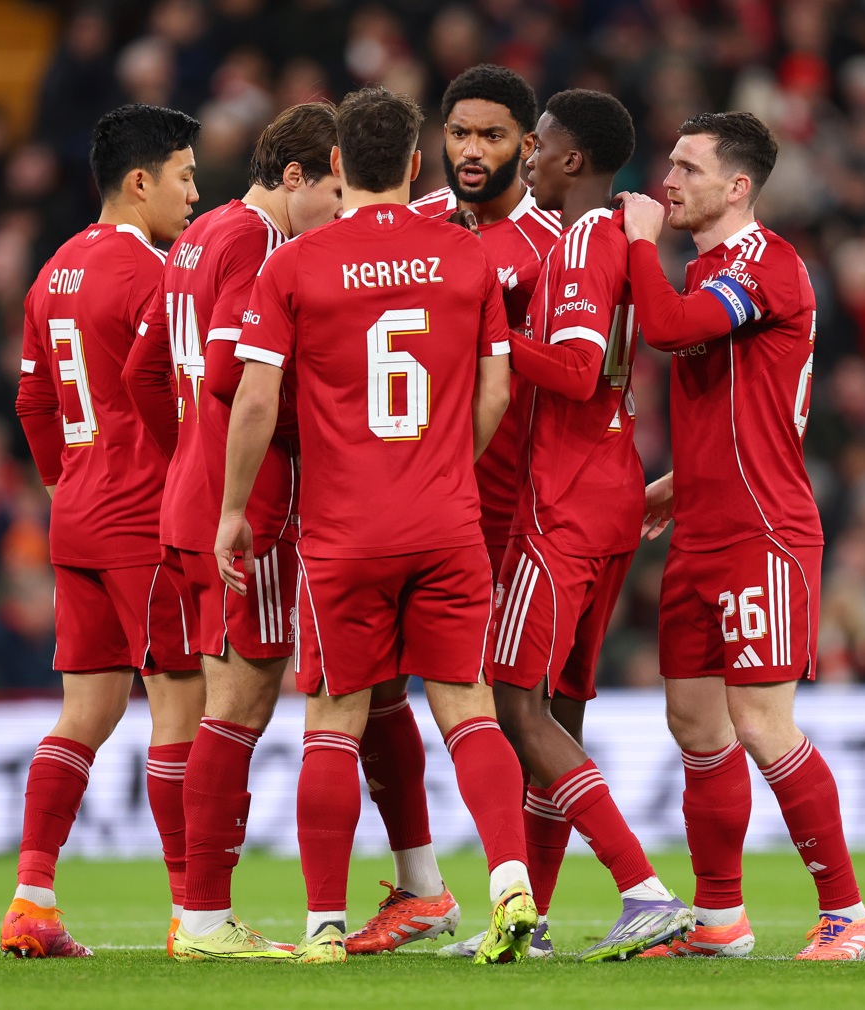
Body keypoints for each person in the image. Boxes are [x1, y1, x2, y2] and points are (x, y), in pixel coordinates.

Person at [214, 86, 535, 965]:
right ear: (418, 165)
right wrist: (444, 470)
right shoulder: (464, 255)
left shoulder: (295, 265)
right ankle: (511, 884)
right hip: (445, 521)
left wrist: (235, 511)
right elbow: (499, 388)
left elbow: (254, 398)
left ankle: (322, 925)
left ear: (341, 166)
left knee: (333, 718)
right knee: (468, 709)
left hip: (343, 531)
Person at [617, 111, 865, 961]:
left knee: (762, 722)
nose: (669, 180)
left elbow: (669, 330)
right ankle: (720, 918)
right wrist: (678, 481)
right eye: (670, 165)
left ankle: (847, 914)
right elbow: (733, 406)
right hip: (701, 526)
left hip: (763, 531)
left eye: (688, 168)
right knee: (695, 726)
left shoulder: (766, 265)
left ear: (737, 186)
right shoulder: (711, 268)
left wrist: (636, 244)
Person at [443, 89, 691, 963]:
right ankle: (534, 922)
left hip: (564, 502)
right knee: (561, 711)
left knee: (514, 701)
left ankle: (643, 888)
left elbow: (581, 371)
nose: (529, 159)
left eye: (538, 146)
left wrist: (488, 338)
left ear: (571, 160)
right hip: (612, 489)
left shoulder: (584, 237)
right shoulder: (614, 236)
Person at [346, 62, 562, 958]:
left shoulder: (553, 245)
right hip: (417, 508)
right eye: (460, 134)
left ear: (529, 146)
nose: (471, 152)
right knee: (376, 692)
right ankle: (425, 887)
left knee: (524, 709)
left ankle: (534, 909)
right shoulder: (416, 226)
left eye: (493, 137)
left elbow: (567, 386)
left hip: (512, 513)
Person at [122, 101, 343, 960]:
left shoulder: (198, 235)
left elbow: (148, 373)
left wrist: (188, 455)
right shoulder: (255, 242)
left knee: (221, 708)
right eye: (332, 190)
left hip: (191, 500)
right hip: (243, 512)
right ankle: (207, 918)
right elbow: (231, 373)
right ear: (295, 177)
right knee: (239, 710)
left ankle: (200, 913)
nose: (338, 210)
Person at [4, 103, 204, 959]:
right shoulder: (152, 276)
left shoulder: (52, 274)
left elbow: (32, 401)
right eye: (185, 177)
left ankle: (32, 900)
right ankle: (195, 914)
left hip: (78, 519)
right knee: (183, 709)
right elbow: (163, 388)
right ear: (140, 182)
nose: (195, 196)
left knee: (83, 714)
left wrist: (65, 481)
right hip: (142, 520)